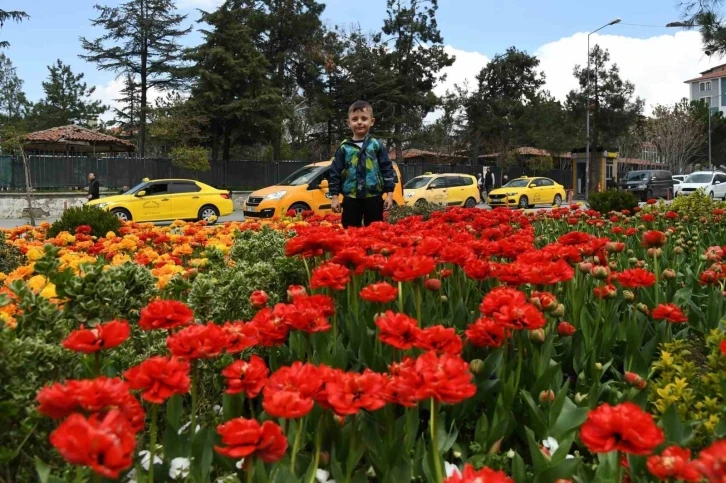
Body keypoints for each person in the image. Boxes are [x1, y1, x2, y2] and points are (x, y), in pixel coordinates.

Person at [329, 100, 396, 228]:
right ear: (349, 123)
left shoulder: (376, 145)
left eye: (364, 118)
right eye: (355, 119)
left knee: (375, 232)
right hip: (351, 198)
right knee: (350, 233)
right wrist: (334, 197)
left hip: (374, 197)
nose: (359, 122)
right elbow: (334, 173)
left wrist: (389, 194)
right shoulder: (344, 147)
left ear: (372, 121)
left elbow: (387, 169)